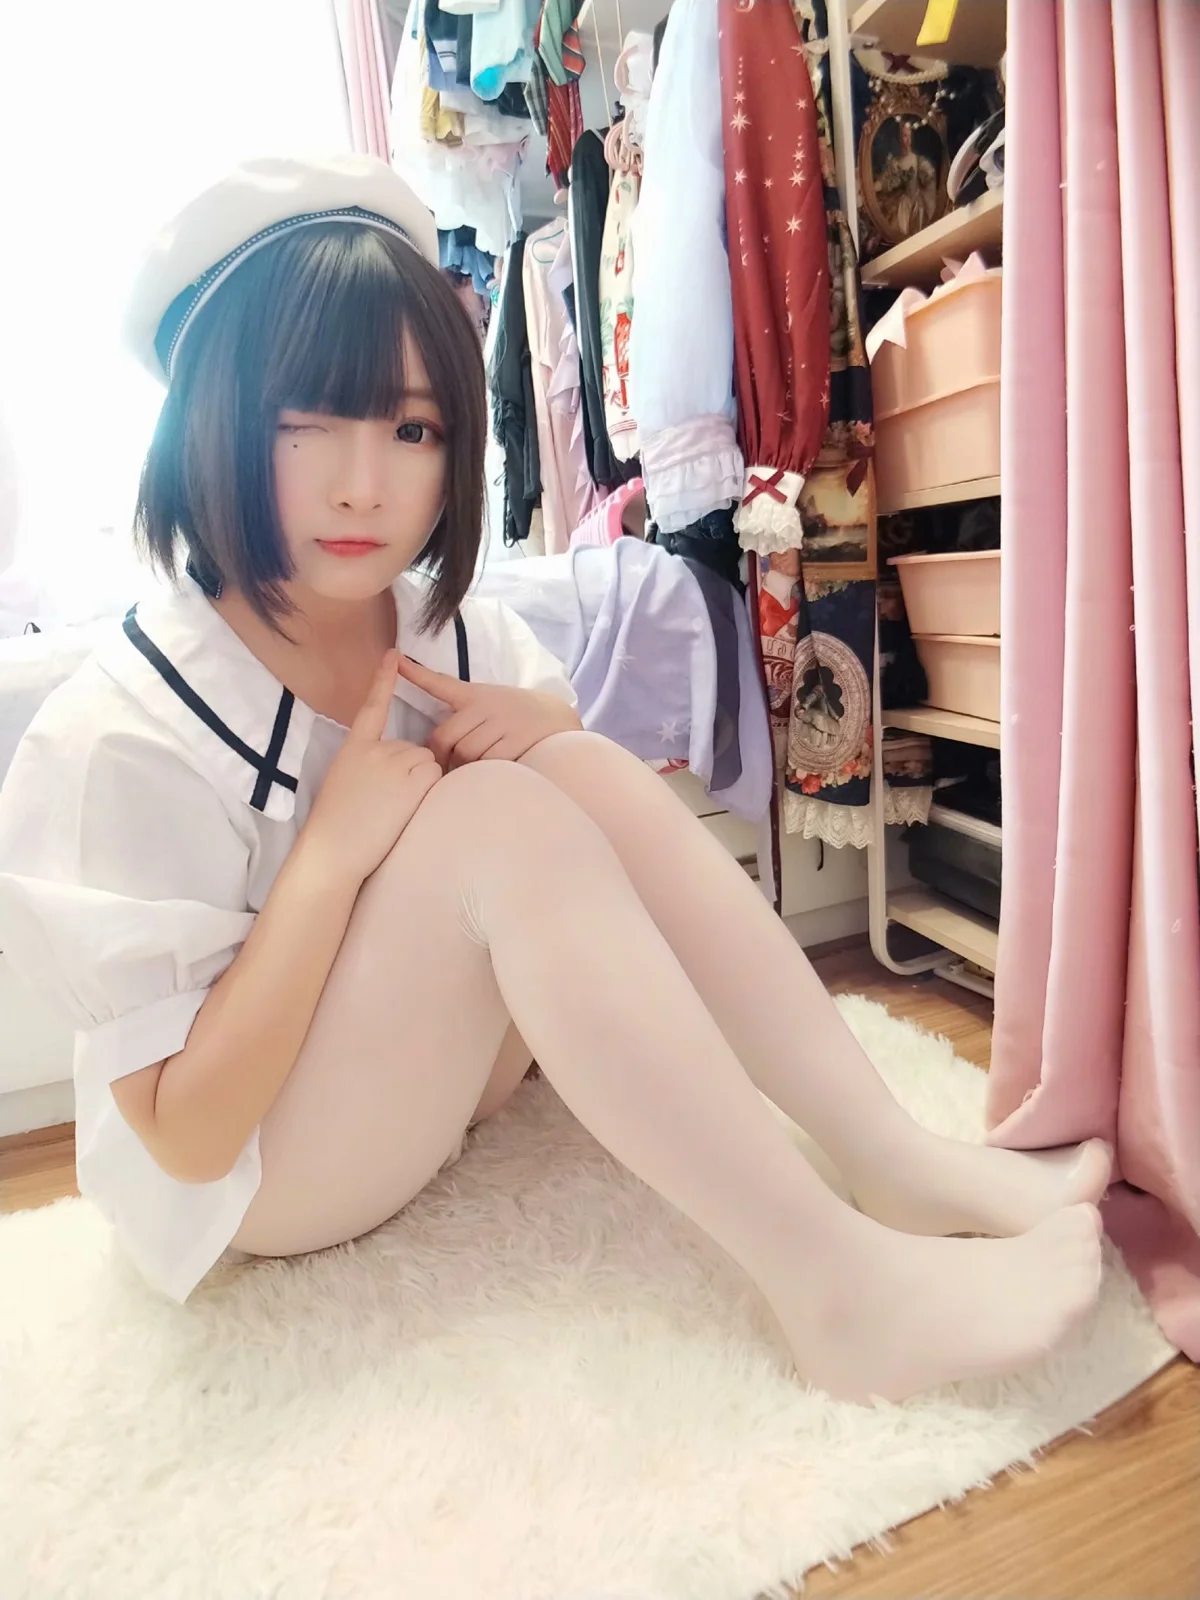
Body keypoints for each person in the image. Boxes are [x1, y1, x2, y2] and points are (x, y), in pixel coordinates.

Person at [0, 156, 1111, 1404]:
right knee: (496, 812)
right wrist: (330, 858)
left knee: (562, 762)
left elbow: (571, 812)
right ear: (203, 423)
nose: (365, 481)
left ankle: (887, 1154)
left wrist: (543, 724)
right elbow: (190, 1137)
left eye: (413, 427)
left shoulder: (440, 622)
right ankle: (838, 1289)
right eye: (301, 421)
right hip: (258, 1181)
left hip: (434, 1089)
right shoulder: (122, 735)